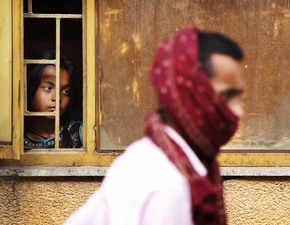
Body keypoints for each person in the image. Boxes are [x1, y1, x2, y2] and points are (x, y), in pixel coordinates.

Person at [63, 26, 244, 225]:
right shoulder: (168, 183)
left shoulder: (159, 159)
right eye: (227, 96)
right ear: (188, 95)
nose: (238, 111)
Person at [24, 51, 82, 149]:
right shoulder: (14, 138)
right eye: (48, 88)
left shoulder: (81, 133)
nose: (57, 98)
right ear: (31, 89)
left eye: (66, 91)